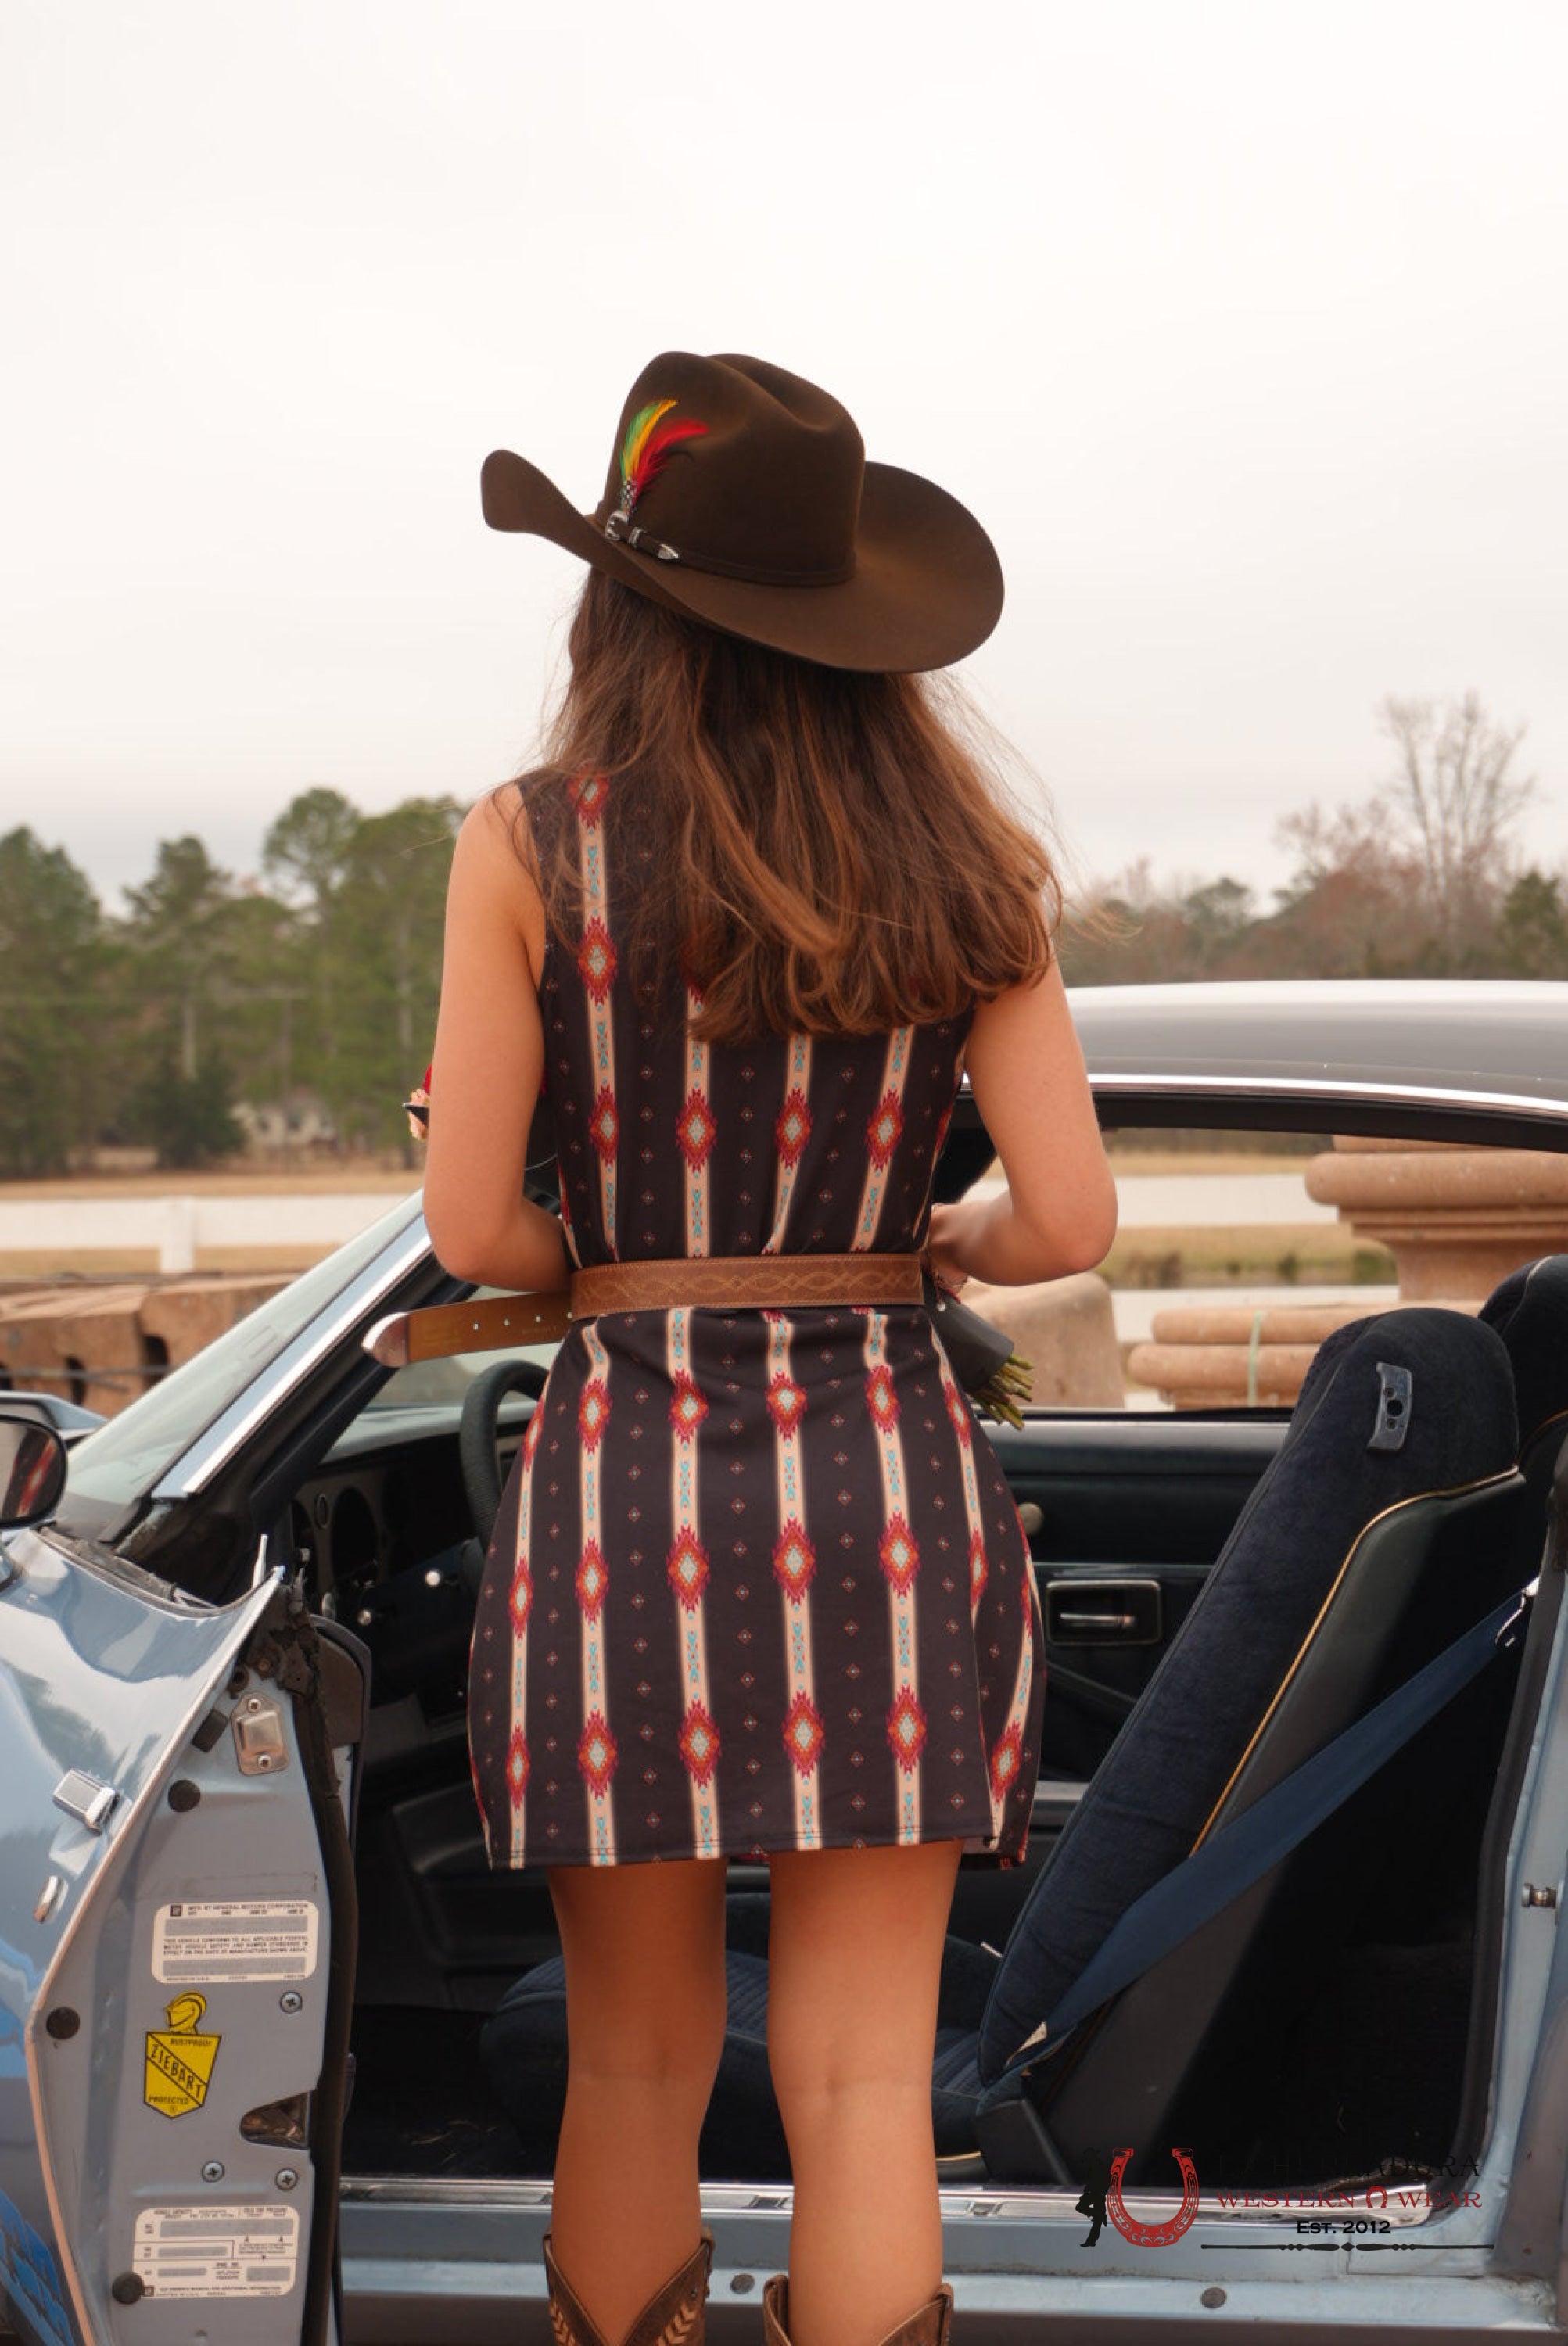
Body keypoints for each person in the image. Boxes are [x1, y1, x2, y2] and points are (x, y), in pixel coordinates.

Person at [423, 353, 1118, 2346]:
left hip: (624, 1487)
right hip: (888, 1487)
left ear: (614, 603)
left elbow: (477, 1234)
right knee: (861, 2082)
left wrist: (618, 1239)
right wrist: (931, 1237)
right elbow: (1063, 1225)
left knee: (632, 2061)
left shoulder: (525, 845)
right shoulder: (972, 865)